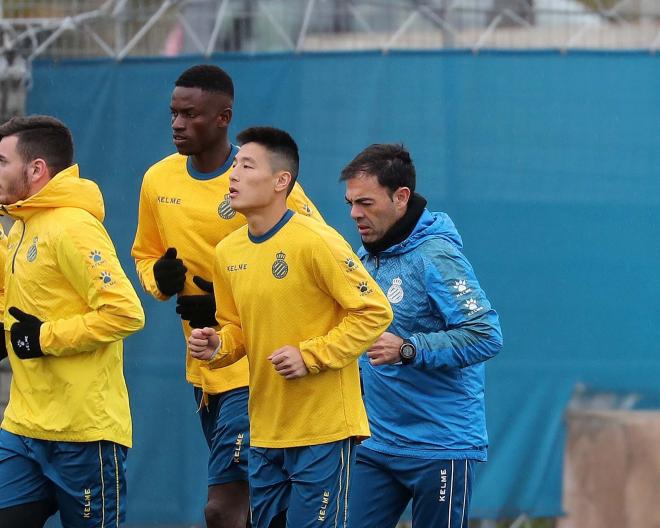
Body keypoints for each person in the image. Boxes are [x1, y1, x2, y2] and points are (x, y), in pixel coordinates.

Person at [131, 65, 323, 528]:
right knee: (259, 505)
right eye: (173, 113)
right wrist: (161, 277)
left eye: (190, 114)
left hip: (258, 369)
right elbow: (145, 255)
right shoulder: (158, 180)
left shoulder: (259, 180)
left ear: (223, 117)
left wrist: (225, 298)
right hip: (206, 366)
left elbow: (313, 256)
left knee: (223, 508)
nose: (177, 124)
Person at [188, 126, 393, 528]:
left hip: (322, 430)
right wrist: (218, 346)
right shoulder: (228, 252)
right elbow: (236, 329)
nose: (233, 175)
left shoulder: (317, 241)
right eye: (233, 165)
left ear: (282, 181)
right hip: (264, 431)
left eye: (247, 166)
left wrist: (310, 355)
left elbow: (374, 312)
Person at [341, 144, 503, 528]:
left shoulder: (436, 256)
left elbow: (485, 334)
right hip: (375, 444)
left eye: (365, 202)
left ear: (401, 197)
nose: (354, 214)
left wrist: (410, 348)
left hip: (440, 446)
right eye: (349, 202)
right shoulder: (363, 258)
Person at [0, 115, 145, 527]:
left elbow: (125, 312)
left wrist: (43, 339)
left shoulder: (73, 227)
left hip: (84, 435)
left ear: (36, 169)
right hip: (23, 428)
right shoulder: (20, 228)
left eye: (1, 161)